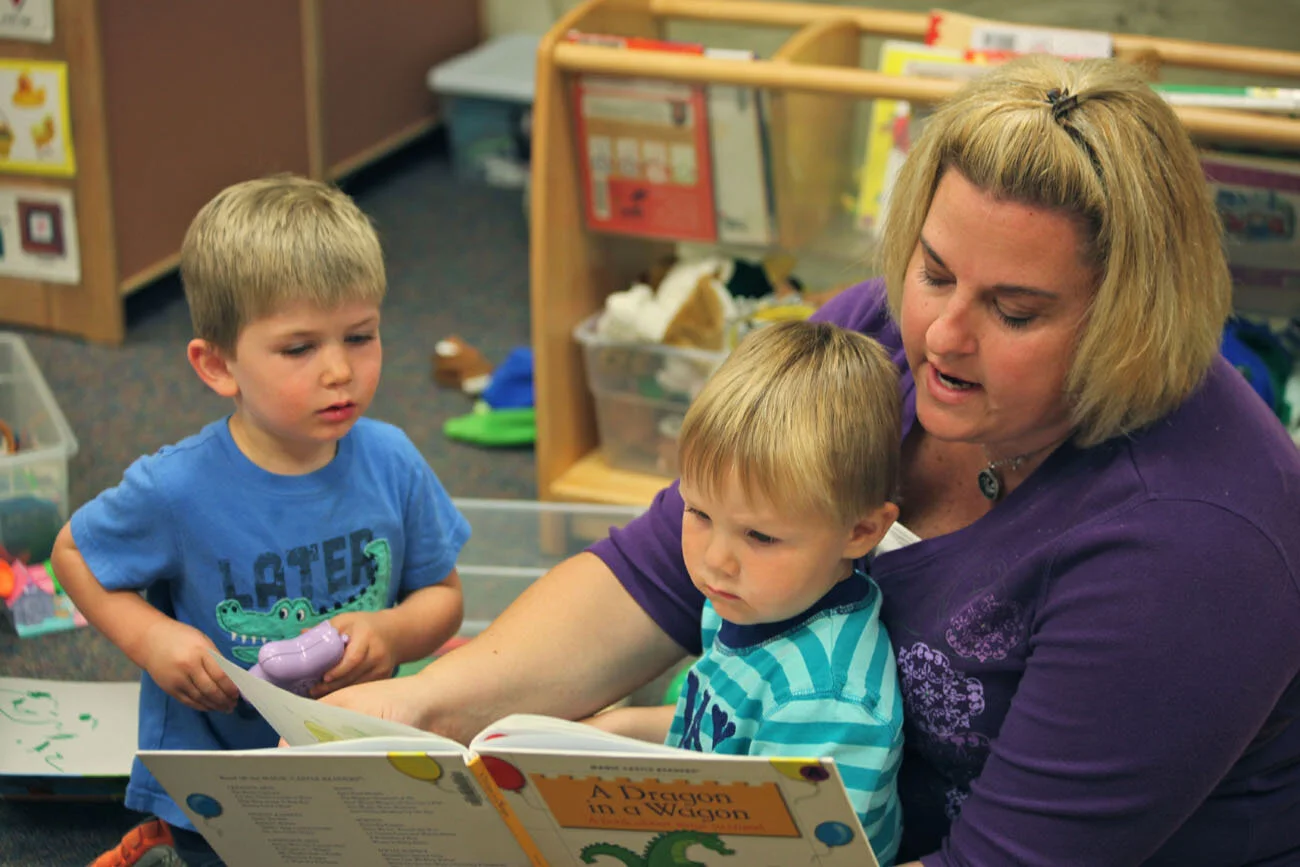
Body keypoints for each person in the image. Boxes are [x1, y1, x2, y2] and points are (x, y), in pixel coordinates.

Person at [322, 54, 1300, 866]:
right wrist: (417, 709)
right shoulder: (879, 345)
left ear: (1129, 319)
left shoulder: (1190, 547)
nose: (942, 336)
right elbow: (659, 571)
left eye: (1014, 311)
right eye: (932, 270)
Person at [52, 175, 469, 867]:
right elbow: (74, 552)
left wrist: (394, 628)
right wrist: (152, 638)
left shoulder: (392, 459)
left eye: (360, 336)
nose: (340, 369)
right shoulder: (176, 485)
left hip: (355, 756)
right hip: (218, 777)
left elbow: (444, 595)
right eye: (299, 348)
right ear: (218, 366)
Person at [587, 319, 906, 863]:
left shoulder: (823, 699)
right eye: (699, 513)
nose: (716, 560)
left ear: (860, 533)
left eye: (760, 535)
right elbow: (716, 730)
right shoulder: (752, 599)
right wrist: (609, 732)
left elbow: (791, 853)